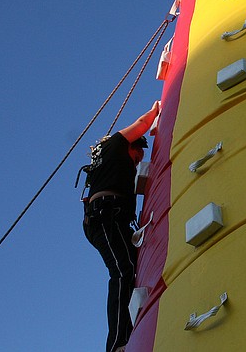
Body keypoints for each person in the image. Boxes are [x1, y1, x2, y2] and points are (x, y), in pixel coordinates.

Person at [82, 101, 160, 352]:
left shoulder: (104, 160)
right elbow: (141, 125)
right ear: (130, 147)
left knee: (131, 266)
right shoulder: (115, 145)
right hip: (106, 215)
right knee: (122, 271)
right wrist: (157, 109)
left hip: (108, 216)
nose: (137, 165)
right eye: (137, 158)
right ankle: (117, 343)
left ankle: (129, 333)